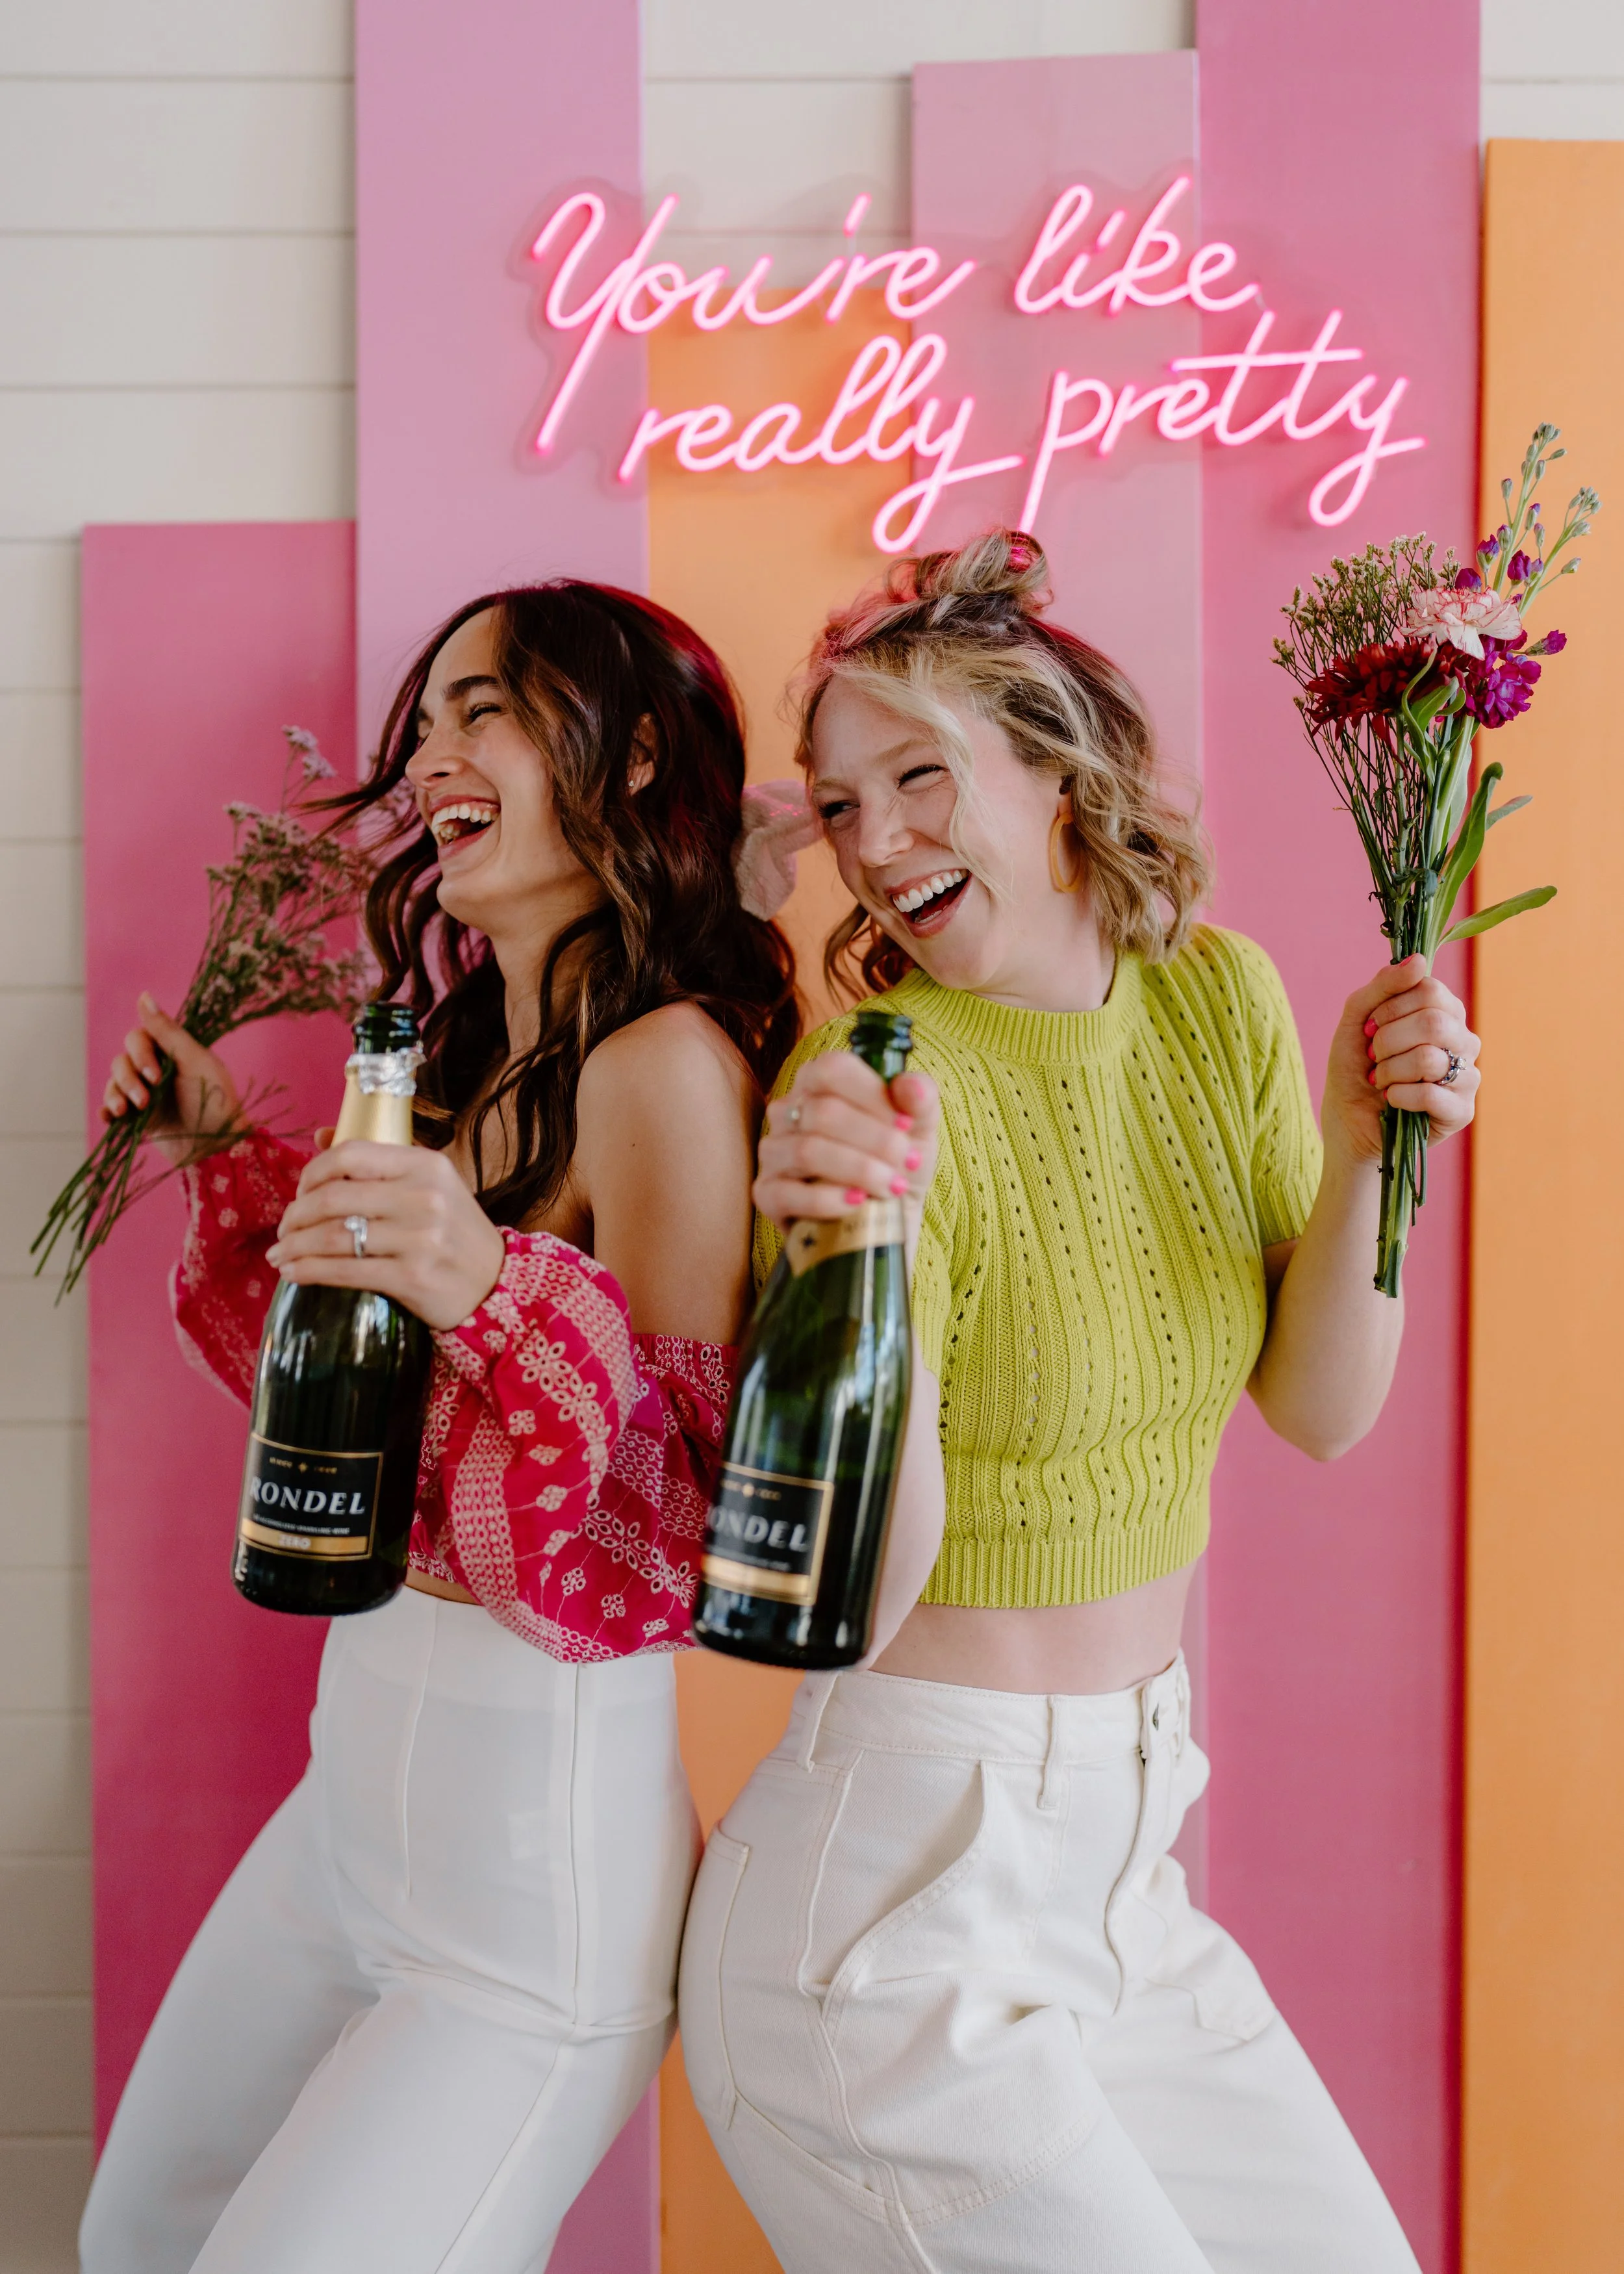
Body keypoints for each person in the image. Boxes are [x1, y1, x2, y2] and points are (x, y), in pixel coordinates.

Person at [678, 531, 1478, 2273]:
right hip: (895, 1906)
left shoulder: (1219, 1002)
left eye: (915, 777)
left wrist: (1363, 1150)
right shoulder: (871, 1080)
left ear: (1057, 770)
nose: (873, 844)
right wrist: (855, 1275)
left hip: (1121, 1882)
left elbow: (1321, 1408)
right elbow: (857, 1610)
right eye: (838, 802)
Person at [81, 582, 796, 2274]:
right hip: (349, 1814)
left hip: (525, 1889)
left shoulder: (666, 1067)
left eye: (485, 709)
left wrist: (490, 1289)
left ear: (628, 762)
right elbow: (371, 1436)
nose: (429, 753)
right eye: (427, 721)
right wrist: (216, 1146)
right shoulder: (464, 1059)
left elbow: (680, 1522)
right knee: (141, 2234)